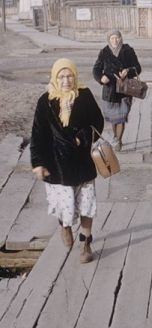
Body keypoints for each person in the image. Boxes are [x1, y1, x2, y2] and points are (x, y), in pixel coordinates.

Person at [30, 58, 104, 264]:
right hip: (57, 165)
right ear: (55, 77)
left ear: (75, 75)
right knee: (65, 207)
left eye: (69, 75)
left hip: (82, 163)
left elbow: (98, 122)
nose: (66, 80)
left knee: (87, 205)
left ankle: (86, 243)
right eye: (61, 76)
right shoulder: (45, 101)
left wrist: (83, 136)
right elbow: (38, 134)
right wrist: (38, 162)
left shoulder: (85, 95)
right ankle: (65, 225)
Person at [93, 29, 141, 152]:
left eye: (117, 38)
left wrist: (128, 71)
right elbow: (96, 69)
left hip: (124, 89)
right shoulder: (104, 52)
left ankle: (118, 140)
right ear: (109, 40)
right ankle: (115, 138)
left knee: (122, 117)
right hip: (109, 90)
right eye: (112, 38)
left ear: (121, 38)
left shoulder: (128, 50)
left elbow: (138, 67)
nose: (115, 40)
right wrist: (100, 77)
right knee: (113, 118)